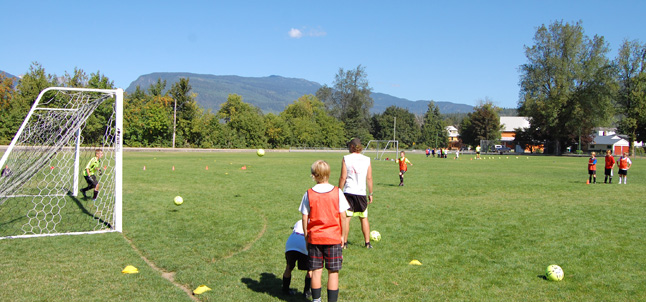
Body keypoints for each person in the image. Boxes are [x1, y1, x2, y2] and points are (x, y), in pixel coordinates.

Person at [300, 160, 349, 302]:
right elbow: (343, 216)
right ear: (328, 174)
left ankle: (316, 300)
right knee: (333, 272)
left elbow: (304, 217)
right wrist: (342, 236)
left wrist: (306, 236)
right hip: (333, 237)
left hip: (315, 238)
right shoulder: (337, 192)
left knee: (316, 271)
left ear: (313, 175)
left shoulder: (308, 194)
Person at [339, 138, 374, 249]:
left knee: (347, 218)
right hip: (361, 192)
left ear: (352, 147)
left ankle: (344, 243)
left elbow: (343, 177)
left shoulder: (346, 158)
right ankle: (367, 243)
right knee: (363, 218)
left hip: (349, 191)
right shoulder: (367, 159)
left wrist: (339, 191)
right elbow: (369, 178)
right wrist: (371, 193)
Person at [282, 220, 312, 298]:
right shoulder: (314, 221)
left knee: (289, 267)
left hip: (291, 242)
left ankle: (285, 290)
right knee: (310, 269)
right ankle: (306, 292)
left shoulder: (299, 221)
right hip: (304, 242)